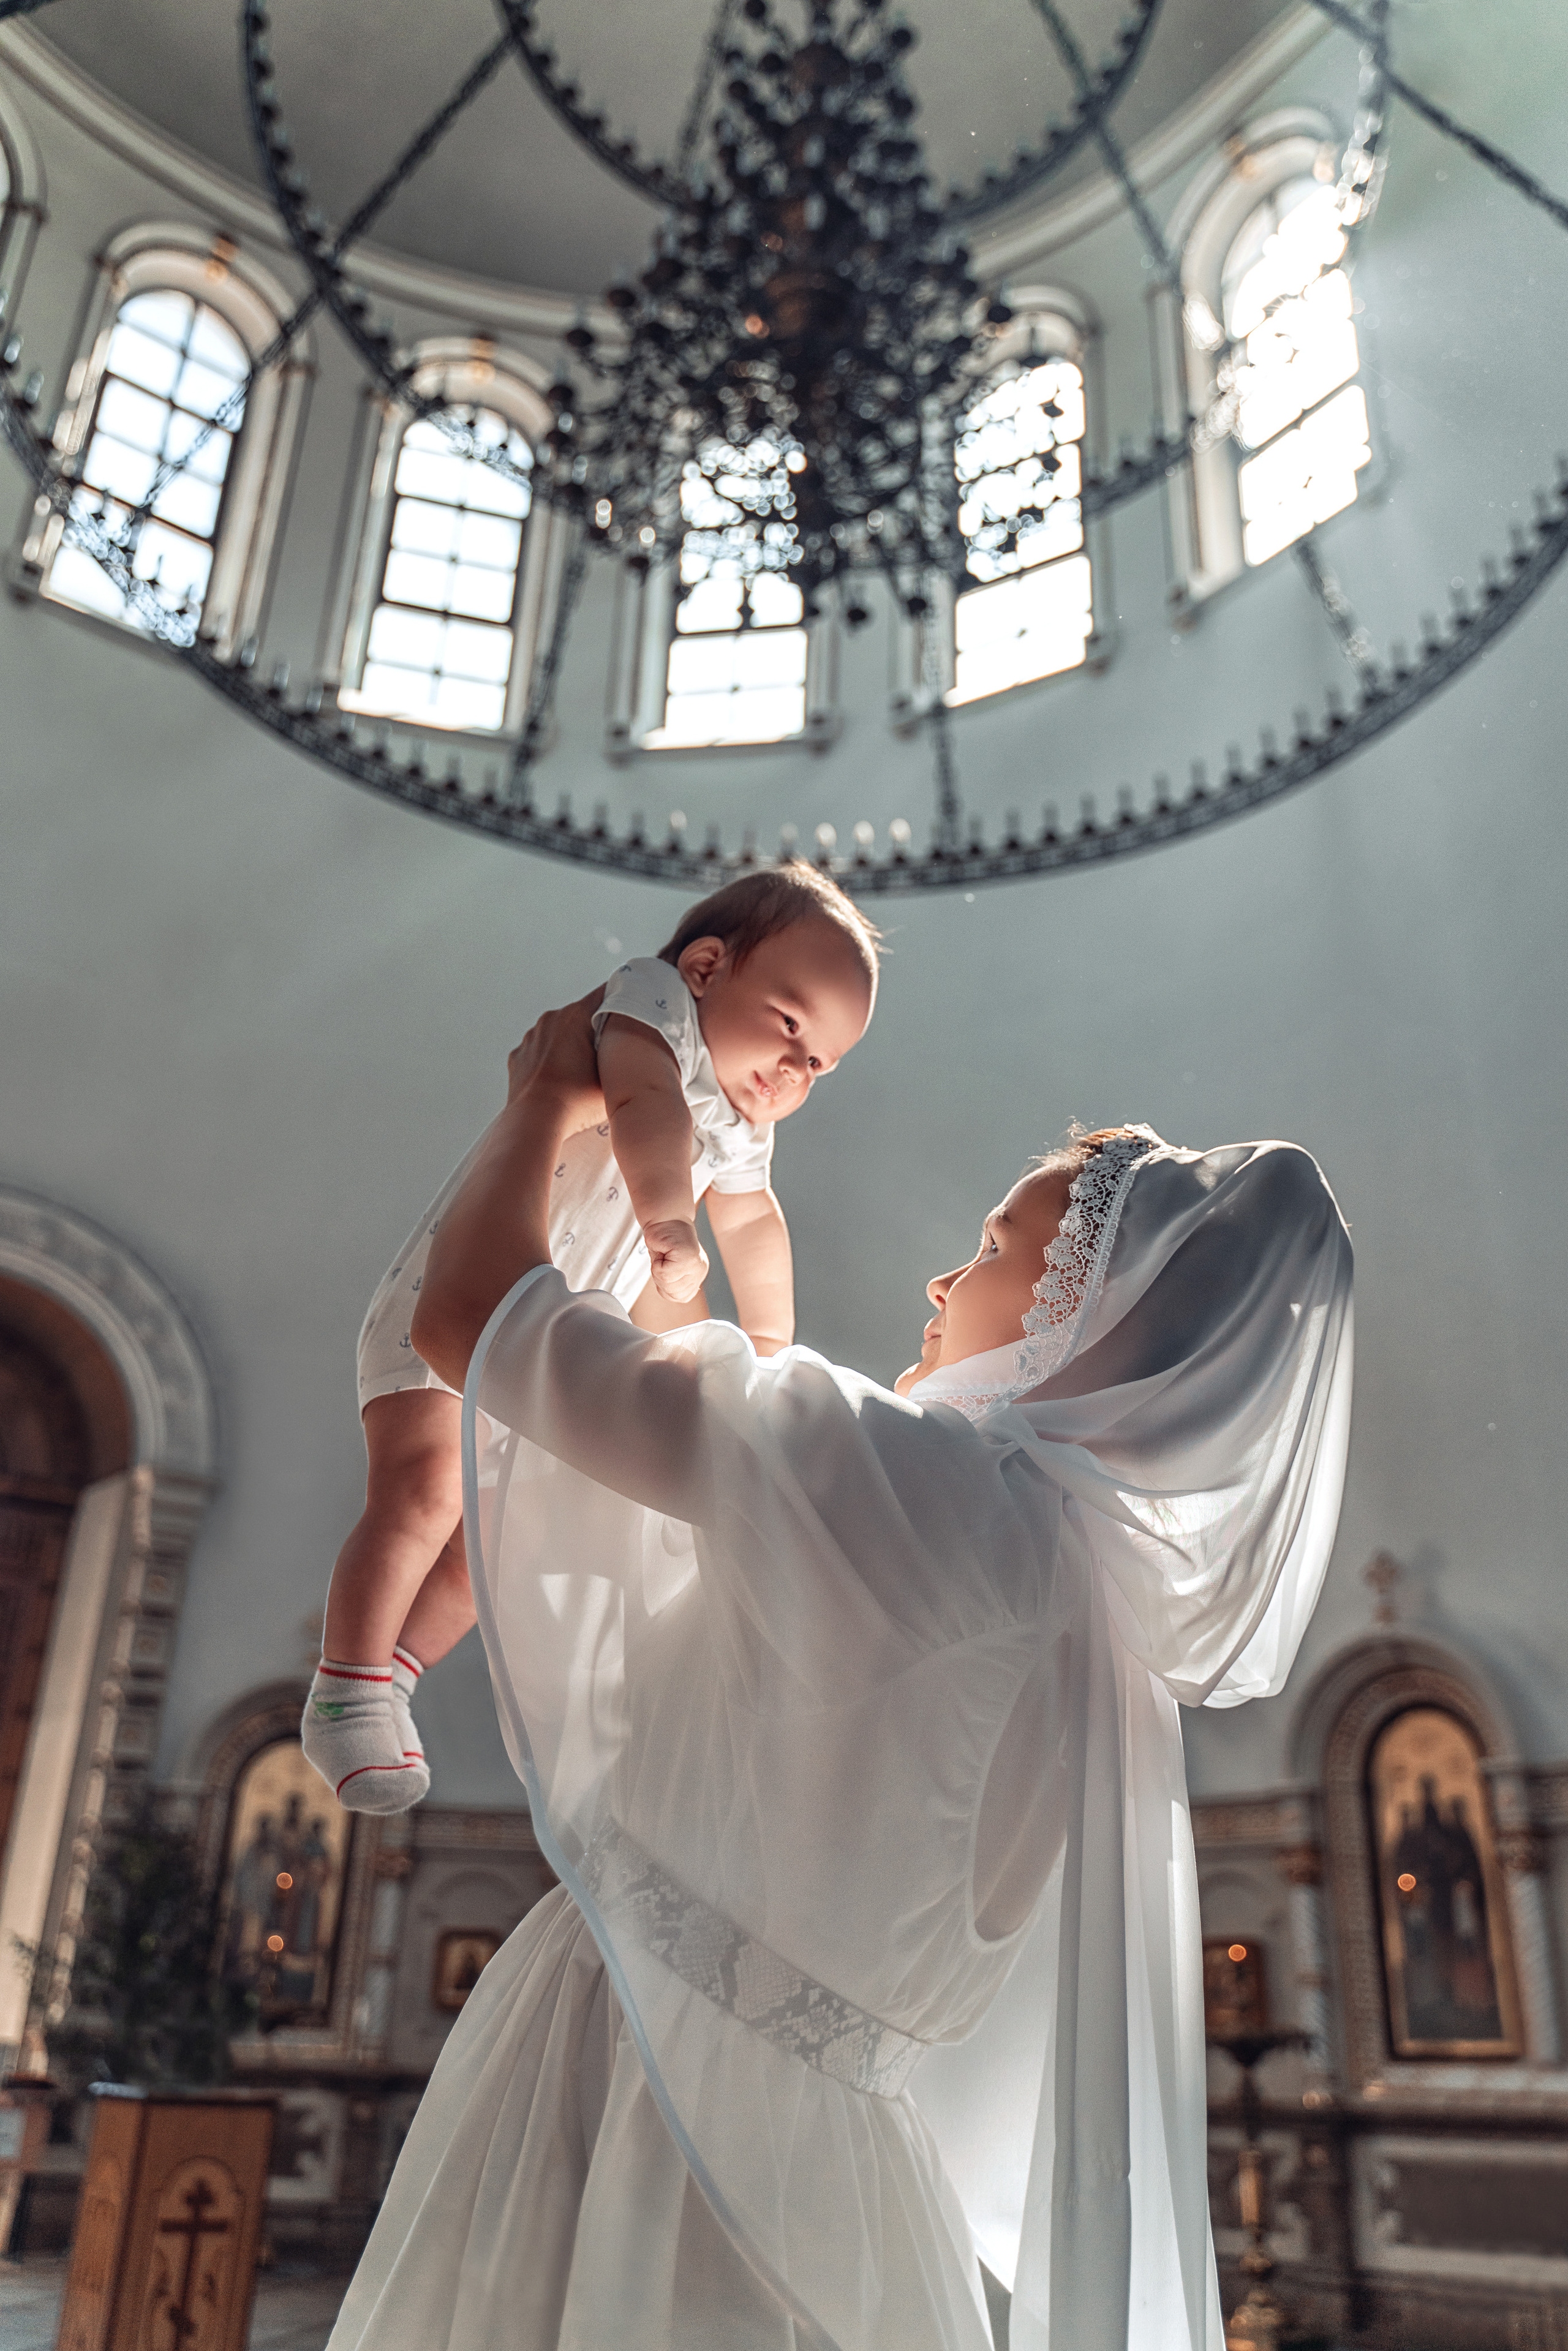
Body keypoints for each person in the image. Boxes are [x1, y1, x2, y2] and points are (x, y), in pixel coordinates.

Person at [326, 996, 1354, 2351]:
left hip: (644, 2095)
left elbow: (472, 1317)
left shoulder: (894, 1471)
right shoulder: (1093, 1612)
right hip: (857, 2174)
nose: (942, 1281)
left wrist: (539, 1099)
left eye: (993, 1247)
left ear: (1089, 1319)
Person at [301, 866, 880, 1813]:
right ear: (704, 966)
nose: (793, 1072)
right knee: (423, 1487)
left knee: (492, 1536)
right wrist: (668, 1221)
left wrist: (771, 1343)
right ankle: (346, 1684)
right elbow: (644, 1107)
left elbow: (756, 1218)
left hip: (532, 1337)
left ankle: (399, 1671)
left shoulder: (737, 1117)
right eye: (788, 1026)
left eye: (820, 1064)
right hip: (446, 1305)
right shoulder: (649, 1006)